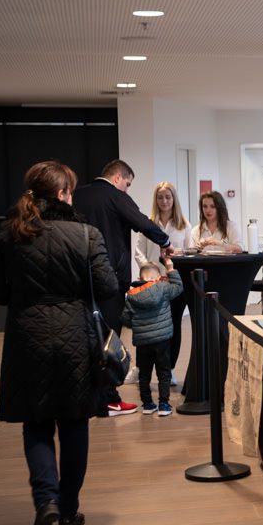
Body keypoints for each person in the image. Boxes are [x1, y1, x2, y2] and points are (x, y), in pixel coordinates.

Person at [0, 160, 118, 525]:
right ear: (62, 194)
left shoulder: (9, 233)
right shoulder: (86, 233)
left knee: (36, 421)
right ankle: (69, 510)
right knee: (74, 423)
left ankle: (46, 501)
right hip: (76, 334)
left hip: (27, 337)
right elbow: (108, 286)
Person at [73, 160, 173, 417]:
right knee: (109, 339)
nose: (127, 189)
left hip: (79, 278)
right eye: (127, 184)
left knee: (86, 337)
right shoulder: (115, 196)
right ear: (118, 177)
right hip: (109, 278)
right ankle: (109, 398)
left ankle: (89, 394)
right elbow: (142, 223)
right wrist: (165, 241)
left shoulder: (78, 195)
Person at [134, 182, 192, 386]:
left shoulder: (184, 226)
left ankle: (170, 369)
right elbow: (139, 252)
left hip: (174, 285)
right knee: (146, 327)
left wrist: (171, 269)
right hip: (151, 283)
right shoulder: (148, 224)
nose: (164, 201)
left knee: (173, 327)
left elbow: (189, 254)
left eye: (168, 197)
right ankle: (141, 369)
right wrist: (150, 272)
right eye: (160, 197)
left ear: (174, 199)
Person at [121, 259, 184, 416]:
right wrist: (170, 269)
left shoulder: (132, 296)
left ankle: (148, 404)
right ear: (158, 278)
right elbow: (178, 287)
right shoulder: (163, 288)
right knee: (164, 373)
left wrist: (138, 326)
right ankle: (164, 404)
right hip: (162, 341)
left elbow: (125, 319)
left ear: (140, 279)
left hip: (142, 343)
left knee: (144, 375)